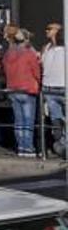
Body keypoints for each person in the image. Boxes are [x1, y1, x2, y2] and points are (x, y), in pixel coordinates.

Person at [4, 29, 40, 158]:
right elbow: (36, 71)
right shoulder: (29, 53)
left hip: (12, 89)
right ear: (26, 39)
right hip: (28, 89)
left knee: (18, 121)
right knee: (28, 121)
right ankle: (28, 148)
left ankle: (20, 147)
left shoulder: (8, 53)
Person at [43, 23, 65, 155]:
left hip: (63, 86)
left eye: (49, 28)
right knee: (55, 119)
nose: (47, 30)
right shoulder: (46, 47)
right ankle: (59, 146)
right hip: (49, 87)